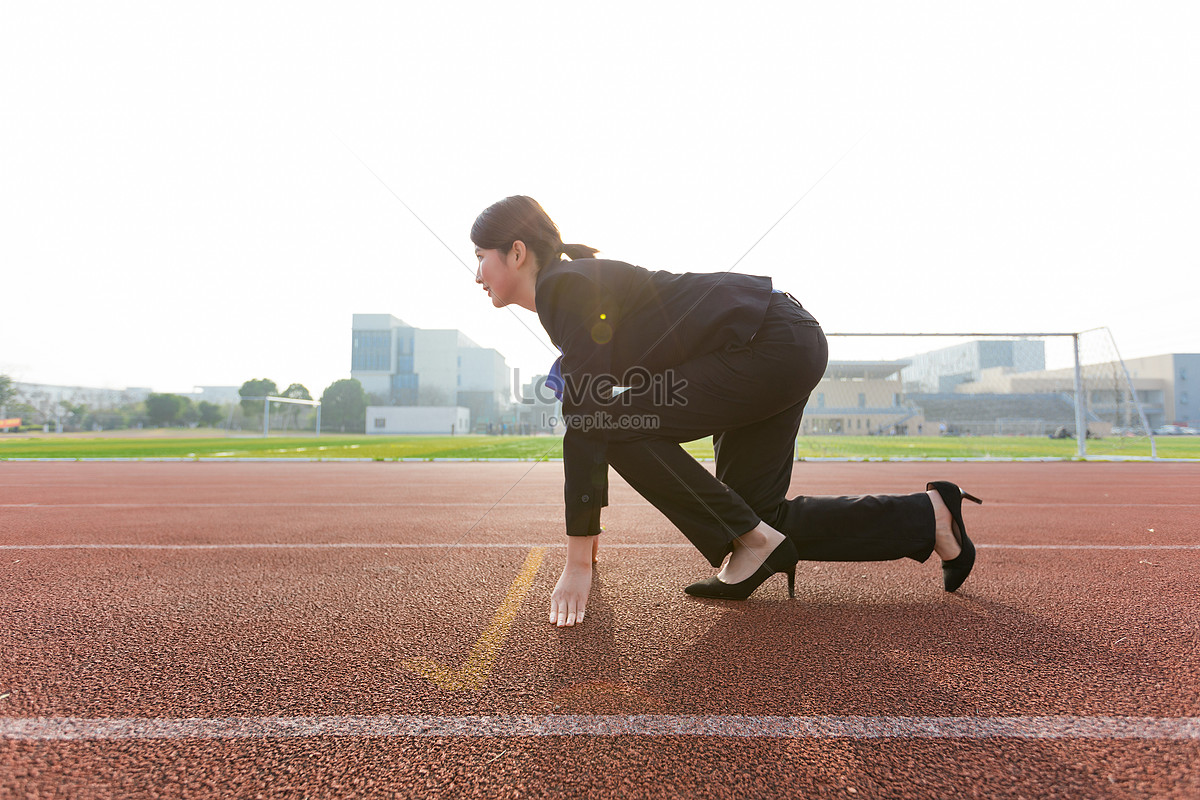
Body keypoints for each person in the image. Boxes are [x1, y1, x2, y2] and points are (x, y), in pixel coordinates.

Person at [471, 196, 982, 627]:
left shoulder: (564, 286)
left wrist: (578, 562)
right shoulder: (572, 288)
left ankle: (751, 540)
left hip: (768, 344)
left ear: (516, 252)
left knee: (612, 425)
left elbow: (588, 421)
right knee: (759, 517)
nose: (476, 275)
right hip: (778, 341)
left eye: (480, 257)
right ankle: (929, 517)